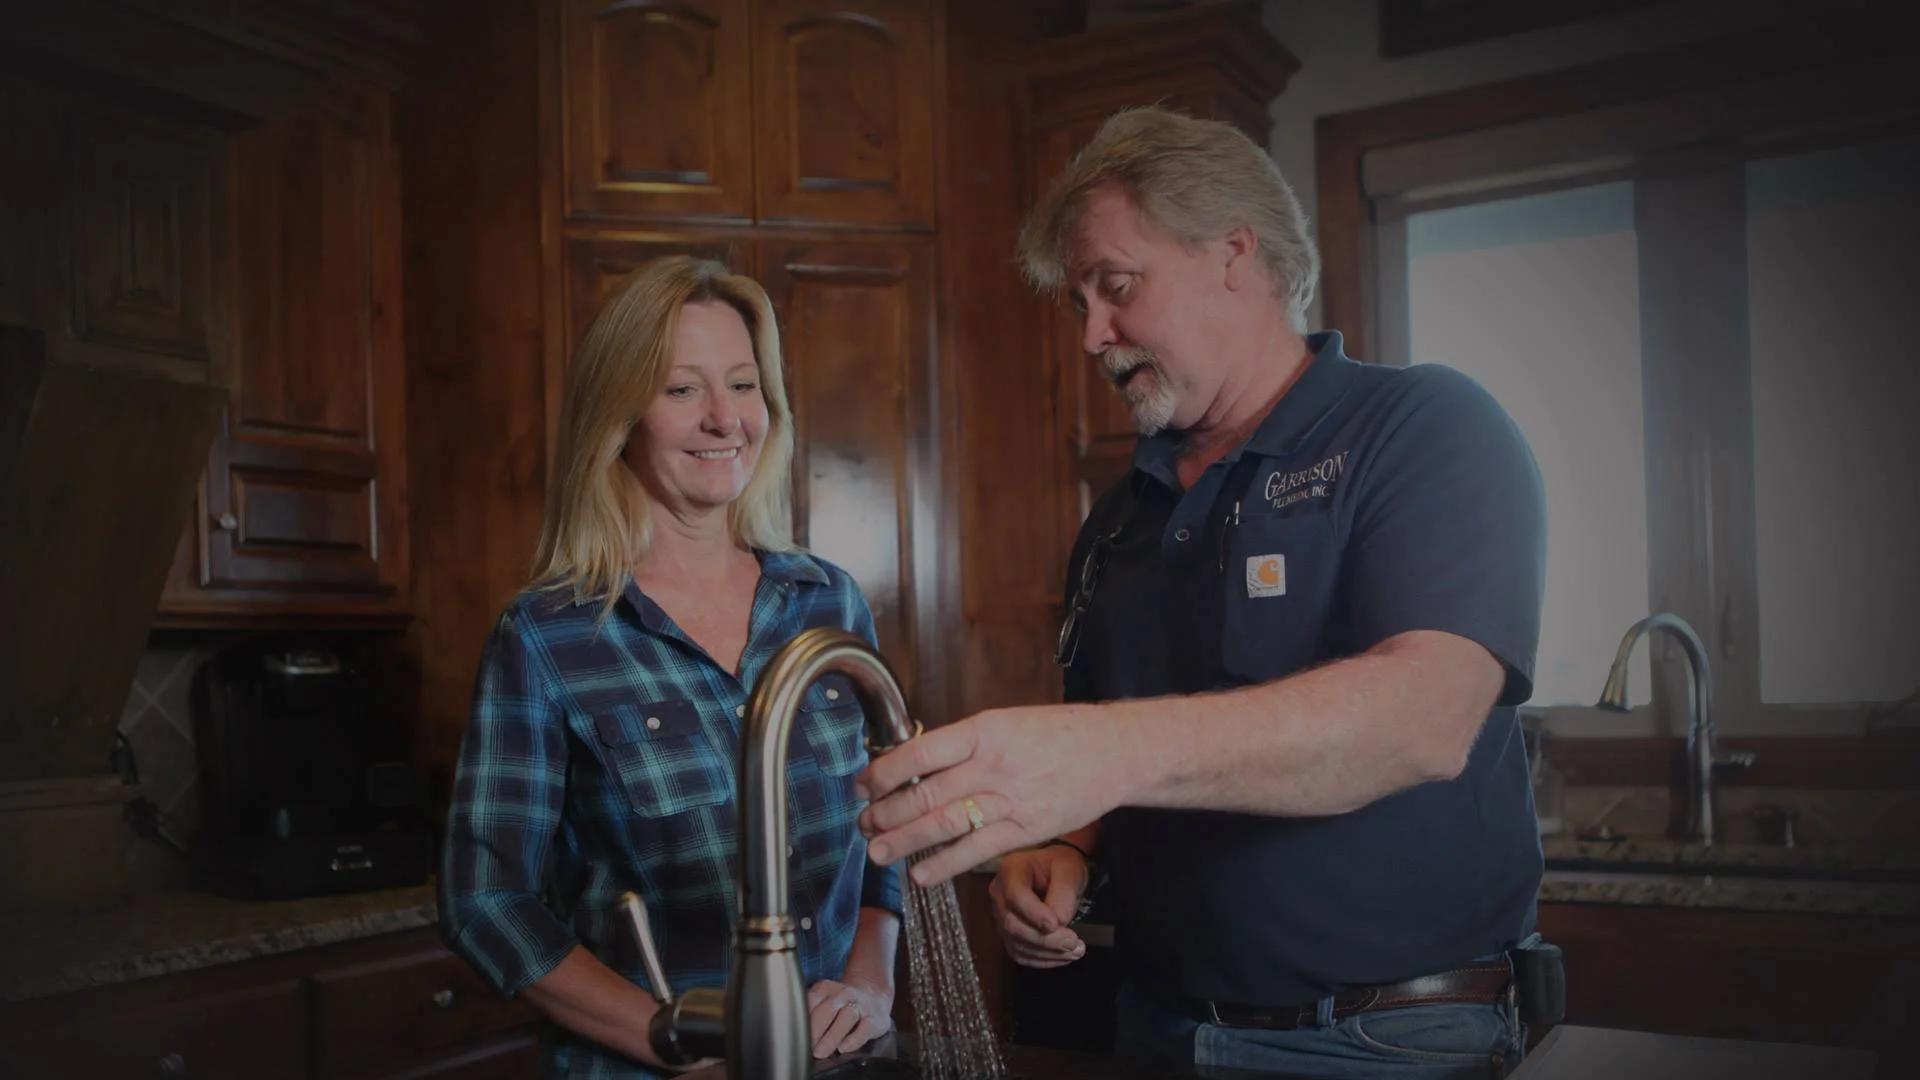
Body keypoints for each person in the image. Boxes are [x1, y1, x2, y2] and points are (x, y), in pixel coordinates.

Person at [855, 107, 1549, 1079]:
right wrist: (1066, 850)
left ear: (1233, 254)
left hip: (1384, 1039)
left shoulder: (1423, 428)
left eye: (1116, 287)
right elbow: (1114, 756)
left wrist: (1103, 753)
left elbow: (1425, 720)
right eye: (1077, 303)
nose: (1093, 334)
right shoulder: (1117, 521)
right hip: (1155, 1029)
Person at [440, 255, 902, 1079]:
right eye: (683, 389)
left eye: (744, 385)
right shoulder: (548, 636)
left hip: (833, 1064)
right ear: (619, 415)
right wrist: (669, 1036)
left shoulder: (827, 602)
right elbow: (485, 902)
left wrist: (868, 986)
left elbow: (890, 829)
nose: (726, 419)